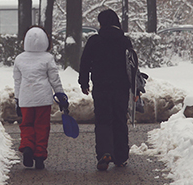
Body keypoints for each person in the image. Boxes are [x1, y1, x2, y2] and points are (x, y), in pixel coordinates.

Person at [78, 9, 133, 171]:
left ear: (102, 23)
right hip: (121, 88)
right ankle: (121, 157)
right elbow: (132, 65)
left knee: (103, 120)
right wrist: (135, 88)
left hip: (101, 87)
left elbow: (85, 62)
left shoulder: (94, 41)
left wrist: (83, 82)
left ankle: (104, 152)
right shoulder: (125, 41)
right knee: (120, 119)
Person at [14, 26, 68, 170]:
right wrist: (61, 95)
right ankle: (39, 156)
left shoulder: (19, 59)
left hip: (25, 98)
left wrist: (17, 99)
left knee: (26, 125)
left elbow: (17, 81)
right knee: (42, 127)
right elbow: (54, 79)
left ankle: (27, 147)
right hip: (43, 99)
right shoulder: (47, 58)